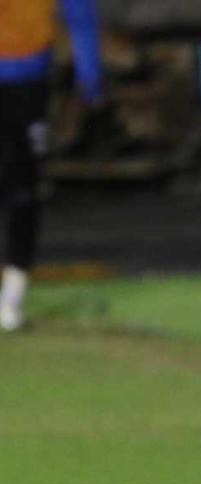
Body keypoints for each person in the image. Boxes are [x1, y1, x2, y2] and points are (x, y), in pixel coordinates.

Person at [0, 0, 103, 332]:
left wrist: (89, 75)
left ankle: (12, 296)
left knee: (24, 189)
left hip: (29, 85)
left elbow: (81, 16)